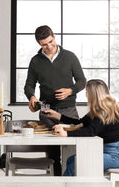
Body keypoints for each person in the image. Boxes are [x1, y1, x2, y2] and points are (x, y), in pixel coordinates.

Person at [28, 79, 119, 187]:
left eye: (87, 92)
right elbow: (80, 123)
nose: (86, 95)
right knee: (72, 160)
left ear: (94, 94)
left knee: (78, 163)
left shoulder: (105, 111)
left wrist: (67, 133)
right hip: (111, 151)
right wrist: (56, 115)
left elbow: (90, 132)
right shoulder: (98, 110)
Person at [24, 25, 86, 177]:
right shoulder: (35, 61)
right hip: (46, 108)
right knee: (52, 153)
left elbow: (82, 81)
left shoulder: (70, 57)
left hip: (69, 107)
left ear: (54, 36)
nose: (49, 46)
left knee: (72, 150)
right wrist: (31, 96)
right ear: (39, 44)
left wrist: (70, 90)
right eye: (44, 44)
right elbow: (29, 86)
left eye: (51, 41)